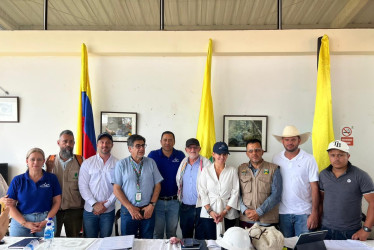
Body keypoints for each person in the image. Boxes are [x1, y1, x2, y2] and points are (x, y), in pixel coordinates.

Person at [320, 140, 374, 241]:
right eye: (333, 155)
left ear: (348, 156)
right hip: (326, 230)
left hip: (351, 232)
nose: (336, 158)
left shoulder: (361, 176)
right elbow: (320, 201)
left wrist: (366, 229)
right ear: (329, 156)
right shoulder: (323, 175)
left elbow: (373, 202)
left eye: (340, 155)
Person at [113, 134, 163, 239]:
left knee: (147, 242)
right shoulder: (121, 164)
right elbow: (116, 189)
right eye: (138, 146)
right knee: (128, 242)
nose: (141, 148)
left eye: (143, 145)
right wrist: (130, 207)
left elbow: (157, 185)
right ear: (130, 148)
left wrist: (152, 205)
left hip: (147, 210)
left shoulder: (151, 163)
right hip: (128, 211)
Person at [272, 125, 319, 237]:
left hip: (304, 213)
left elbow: (315, 188)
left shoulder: (309, 159)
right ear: (282, 141)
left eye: (293, 139)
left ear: (299, 140)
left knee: (304, 247)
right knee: (286, 247)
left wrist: (314, 213)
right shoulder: (276, 158)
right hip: (283, 213)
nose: (290, 142)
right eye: (287, 139)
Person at [7, 148, 62, 237]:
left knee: (46, 247)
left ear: (43, 161)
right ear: (27, 161)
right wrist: (25, 223)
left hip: (45, 220)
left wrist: (47, 220)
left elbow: (57, 202)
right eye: (32, 159)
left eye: (39, 159)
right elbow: (10, 205)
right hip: (21, 221)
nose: (36, 162)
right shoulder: (17, 180)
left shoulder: (52, 178)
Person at [78, 132, 118, 238]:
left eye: (108, 142)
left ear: (112, 145)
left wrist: (106, 205)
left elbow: (118, 187)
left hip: (108, 211)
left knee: (106, 242)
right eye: (102, 142)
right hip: (90, 210)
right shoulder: (87, 163)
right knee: (90, 241)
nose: (105, 145)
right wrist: (94, 204)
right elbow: (83, 186)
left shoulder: (118, 164)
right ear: (97, 144)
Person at [46, 130, 84, 237]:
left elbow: (86, 185)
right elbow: (43, 185)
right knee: (52, 240)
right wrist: (48, 170)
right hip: (53, 210)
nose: (68, 144)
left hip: (74, 211)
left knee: (74, 242)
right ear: (58, 143)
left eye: (71, 142)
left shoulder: (81, 161)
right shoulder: (49, 161)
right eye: (65, 141)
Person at [199, 142, 239, 239]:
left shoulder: (232, 170)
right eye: (219, 154)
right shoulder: (206, 170)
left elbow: (235, 192)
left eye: (224, 154)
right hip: (208, 213)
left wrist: (224, 212)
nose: (222, 157)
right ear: (213, 154)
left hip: (228, 213)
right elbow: (202, 192)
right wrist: (211, 211)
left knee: (228, 242)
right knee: (211, 242)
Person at [148, 131, 185, 239]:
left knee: (172, 233)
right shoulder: (153, 155)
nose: (167, 142)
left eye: (170, 140)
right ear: (161, 142)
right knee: (157, 233)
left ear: (174, 142)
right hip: (157, 201)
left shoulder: (180, 155)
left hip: (174, 201)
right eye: (165, 140)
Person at [238, 139, 282, 228]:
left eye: (257, 150)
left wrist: (259, 212)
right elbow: (236, 194)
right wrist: (245, 210)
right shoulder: (240, 169)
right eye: (250, 151)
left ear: (262, 152)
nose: (254, 153)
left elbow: (276, 195)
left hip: (267, 220)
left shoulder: (273, 169)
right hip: (246, 219)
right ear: (247, 154)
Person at [176, 138, 211, 239]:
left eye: (195, 147)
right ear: (186, 149)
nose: (192, 150)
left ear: (199, 149)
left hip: (201, 207)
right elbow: (179, 181)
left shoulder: (207, 163)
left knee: (201, 237)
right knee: (186, 236)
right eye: (190, 148)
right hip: (185, 207)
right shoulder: (183, 163)